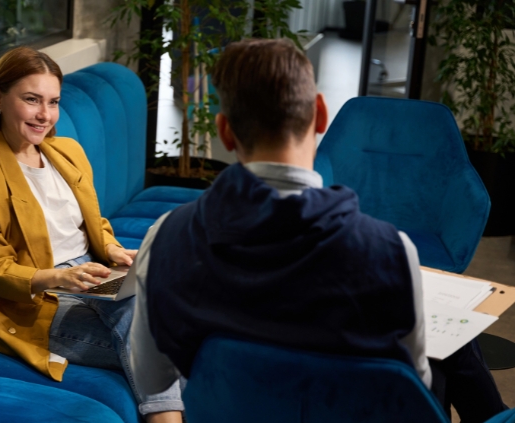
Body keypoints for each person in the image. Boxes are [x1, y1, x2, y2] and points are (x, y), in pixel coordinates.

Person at [128, 38, 507, 423]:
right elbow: (410, 385)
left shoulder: (165, 240)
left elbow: (151, 379)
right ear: (321, 114)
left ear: (225, 130)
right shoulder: (391, 251)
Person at [0, 46, 183, 422]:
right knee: (168, 337)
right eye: (31, 99)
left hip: (92, 275)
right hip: (34, 304)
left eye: (53, 102)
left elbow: (93, 223)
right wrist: (58, 277)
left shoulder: (67, 152)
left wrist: (113, 250)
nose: (45, 114)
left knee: (173, 300)